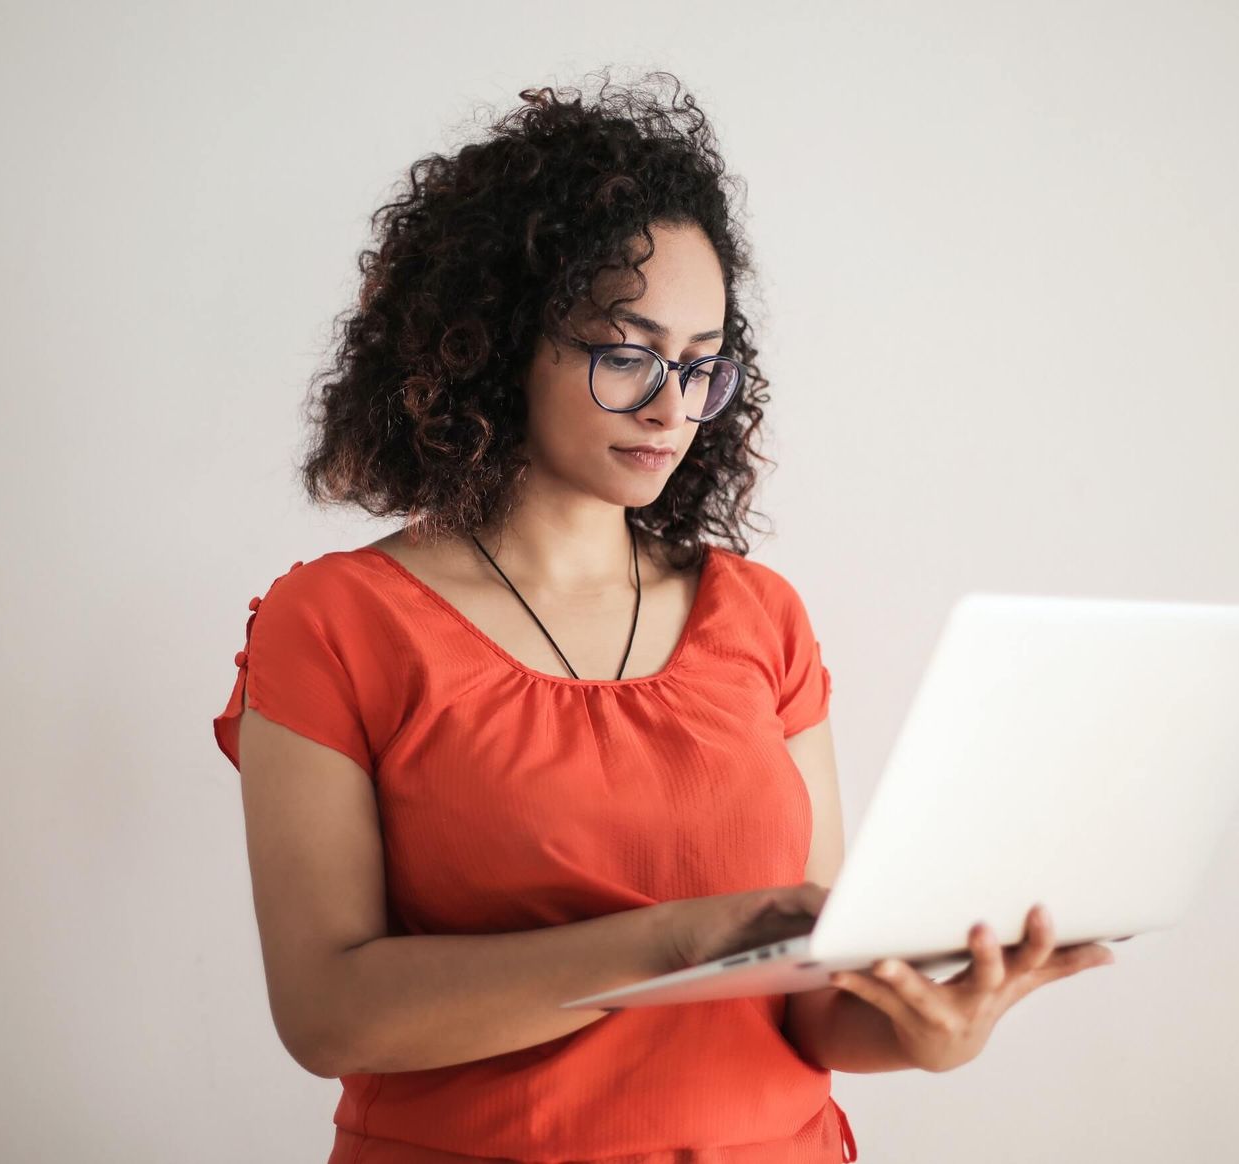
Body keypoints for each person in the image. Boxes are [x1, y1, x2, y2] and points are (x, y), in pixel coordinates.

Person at [213, 70, 1112, 1164]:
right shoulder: (338, 623)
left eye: (699, 366)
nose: (670, 408)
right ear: (492, 342)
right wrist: (679, 940)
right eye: (624, 354)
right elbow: (329, 1014)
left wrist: (930, 1026)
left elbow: (808, 1000)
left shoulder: (759, 616)